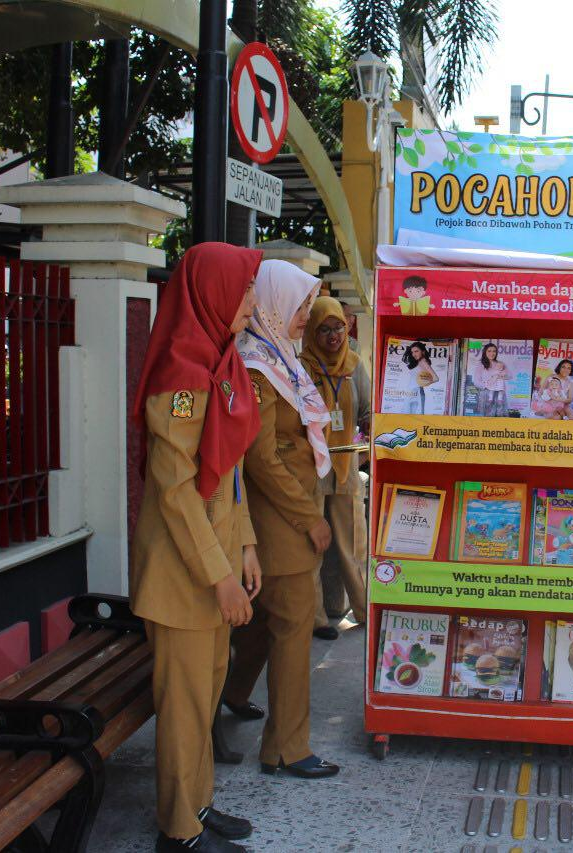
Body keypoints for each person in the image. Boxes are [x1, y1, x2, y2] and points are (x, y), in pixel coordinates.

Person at [128, 243, 264, 853]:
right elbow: (178, 493)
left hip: (216, 565)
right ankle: (178, 832)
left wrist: (249, 547)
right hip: (186, 576)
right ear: (212, 293)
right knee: (183, 708)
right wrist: (220, 576)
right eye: (246, 289)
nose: (252, 303)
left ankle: (198, 807)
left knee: (205, 695)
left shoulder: (221, 362)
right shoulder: (181, 378)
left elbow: (230, 473)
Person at [220, 259, 340, 779]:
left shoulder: (277, 357)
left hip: (280, 515)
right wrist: (308, 517)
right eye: (300, 307)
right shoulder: (257, 366)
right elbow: (262, 457)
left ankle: (228, 694)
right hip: (279, 520)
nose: (305, 317)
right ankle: (287, 748)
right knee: (293, 626)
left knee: (264, 621)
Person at [299, 297, 371, 641]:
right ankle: (315, 617)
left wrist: (370, 442)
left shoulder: (355, 366)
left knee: (351, 543)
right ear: (312, 330)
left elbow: (368, 413)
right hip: (310, 466)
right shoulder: (301, 367)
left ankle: (364, 609)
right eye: (324, 329)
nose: (333, 336)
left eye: (339, 327)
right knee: (310, 544)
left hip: (345, 462)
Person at [470, 342, 509, 416]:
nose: (492, 353)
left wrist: (499, 376)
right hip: (486, 395)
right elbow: (476, 381)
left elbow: (509, 376)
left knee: (499, 418)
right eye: (489, 351)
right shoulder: (480, 364)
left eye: (494, 351)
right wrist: (487, 385)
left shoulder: (500, 364)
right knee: (486, 418)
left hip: (499, 394)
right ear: (485, 352)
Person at [402, 341, 437, 414]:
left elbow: (435, 378)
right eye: (412, 352)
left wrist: (421, 384)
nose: (414, 354)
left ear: (423, 352)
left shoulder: (423, 362)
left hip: (417, 393)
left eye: (416, 351)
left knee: (416, 417)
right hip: (410, 392)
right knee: (409, 417)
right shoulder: (418, 362)